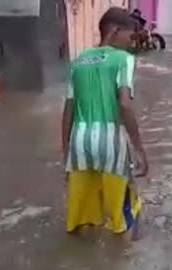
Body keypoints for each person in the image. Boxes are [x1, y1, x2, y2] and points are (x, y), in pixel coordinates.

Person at [62, 7, 148, 237]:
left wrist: (65, 152)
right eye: (130, 36)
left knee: (80, 214)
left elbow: (68, 108)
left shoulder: (78, 61)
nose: (132, 42)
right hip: (111, 141)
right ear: (115, 31)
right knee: (125, 213)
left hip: (79, 141)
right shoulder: (124, 59)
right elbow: (124, 104)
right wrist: (139, 149)